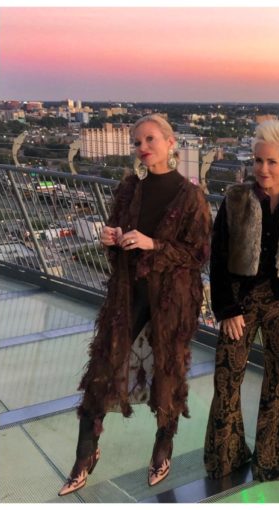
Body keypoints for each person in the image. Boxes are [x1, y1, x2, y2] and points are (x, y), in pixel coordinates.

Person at [59, 114, 212, 496]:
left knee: (168, 372)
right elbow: (116, 236)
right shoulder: (129, 188)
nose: (142, 148)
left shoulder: (191, 195)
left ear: (170, 142)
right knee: (102, 368)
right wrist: (111, 238)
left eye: (149, 140)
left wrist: (152, 244)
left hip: (171, 302)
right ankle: (85, 453)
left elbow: (198, 255)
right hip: (128, 295)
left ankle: (163, 445)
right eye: (136, 142)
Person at [203, 120, 279, 482]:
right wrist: (226, 309)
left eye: (271, 162)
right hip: (240, 302)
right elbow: (217, 258)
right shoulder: (234, 199)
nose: (263, 169)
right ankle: (227, 457)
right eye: (258, 160)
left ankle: (271, 461)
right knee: (227, 379)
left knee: (278, 385)